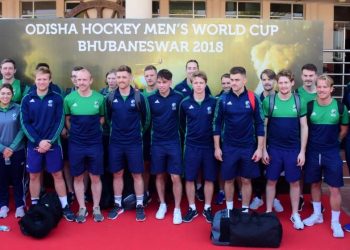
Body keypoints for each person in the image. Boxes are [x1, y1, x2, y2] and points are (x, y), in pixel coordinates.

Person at [20, 67, 75, 222]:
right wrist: (38, 141)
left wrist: (49, 141)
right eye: (39, 79)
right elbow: (25, 123)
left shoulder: (57, 98)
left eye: (45, 79)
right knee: (34, 175)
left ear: (50, 80)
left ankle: (65, 206)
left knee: (57, 174)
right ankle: (35, 205)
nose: (42, 82)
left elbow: (59, 122)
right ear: (35, 80)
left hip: (53, 144)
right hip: (34, 145)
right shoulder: (27, 98)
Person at [302, 74, 348, 238]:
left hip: (331, 152)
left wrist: (336, 141)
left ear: (331, 89)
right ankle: (317, 215)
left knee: (334, 188)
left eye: (324, 86)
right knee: (314, 184)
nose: (321, 89)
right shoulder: (309, 106)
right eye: (319, 86)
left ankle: (335, 222)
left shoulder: (340, 107)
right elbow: (304, 128)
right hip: (313, 152)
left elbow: (344, 128)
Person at [213, 66, 264, 213]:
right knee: (228, 179)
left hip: (248, 147)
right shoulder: (223, 99)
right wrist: (217, 147)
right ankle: (229, 210)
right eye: (231, 80)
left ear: (244, 80)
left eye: (237, 80)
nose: (233, 83)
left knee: (246, 180)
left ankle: (245, 210)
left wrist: (260, 148)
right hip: (228, 147)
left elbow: (260, 124)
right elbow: (216, 123)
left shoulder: (253, 98)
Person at [262, 69, 308, 230]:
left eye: (286, 82)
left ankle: (295, 213)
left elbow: (304, 126)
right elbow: (264, 127)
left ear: (292, 83)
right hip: (274, 149)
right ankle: (268, 211)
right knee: (271, 180)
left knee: (295, 182)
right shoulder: (269, 101)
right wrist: (263, 150)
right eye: (280, 82)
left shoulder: (299, 101)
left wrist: (302, 151)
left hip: (293, 149)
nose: (283, 85)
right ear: (277, 83)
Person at [105, 65, 150, 222]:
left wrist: (136, 133)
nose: (121, 80)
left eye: (124, 77)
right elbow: (109, 119)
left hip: (134, 143)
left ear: (130, 78)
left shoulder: (139, 97)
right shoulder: (110, 97)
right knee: (117, 173)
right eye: (118, 77)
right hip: (116, 142)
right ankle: (118, 204)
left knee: (137, 174)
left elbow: (146, 120)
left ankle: (139, 204)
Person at [64, 67, 105, 223]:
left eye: (84, 79)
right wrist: (74, 132)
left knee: (95, 176)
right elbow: (67, 119)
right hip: (76, 144)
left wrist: (92, 132)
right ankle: (82, 207)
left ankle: (96, 207)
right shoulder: (68, 99)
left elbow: (102, 118)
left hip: (94, 143)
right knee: (78, 176)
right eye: (78, 79)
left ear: (91, 80)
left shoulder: (99, 98)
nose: (81, 82)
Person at [180, 71, 217, 223]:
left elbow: (218, 123)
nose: (199, 85)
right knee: (189, 178)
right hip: (191, 146)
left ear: (205, 84)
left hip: (209, 146)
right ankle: (192, 208)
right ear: (192, 84)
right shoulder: (185, 102)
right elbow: (182, 125)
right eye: (196, 83)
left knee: (209, 178)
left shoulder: (214, 102)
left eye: (201, 83)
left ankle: (207, 207)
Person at [148, 69, 184, 224]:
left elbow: (183, 121)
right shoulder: (150, 99)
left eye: (164, 82)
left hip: (174, 142)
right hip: (157, 142)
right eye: (159, 82)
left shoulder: (179, 97)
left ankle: (177, 209)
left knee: (175, 176)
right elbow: (146, 121)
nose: (161, 85)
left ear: (170, 82)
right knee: (159, 175)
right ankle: (162, 204)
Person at [174, 59, 210, 201]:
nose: (192, 70)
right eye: (189, 68)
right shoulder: (178, 87)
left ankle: (200, 187)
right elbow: (181, 119)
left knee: (203, 166)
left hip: (205, 138)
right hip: (188, 136)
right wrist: (187, 131)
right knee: (189, 167)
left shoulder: (206, 90)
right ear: (186, 70)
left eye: (194, 67)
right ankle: (189, 193)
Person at [249, 69, 284, 213]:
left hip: (276, 142)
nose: (267, 82)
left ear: (275, 81)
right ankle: (258, 196)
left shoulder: (280, 98)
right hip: (257, 140)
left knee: (274, 171)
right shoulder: (256, 99)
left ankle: (275, 198)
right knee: (257, 170)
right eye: (264, 79)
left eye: (270, 79)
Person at [0, 84, 26, 218]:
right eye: (2, 93)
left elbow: (23, 129)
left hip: (17, 150)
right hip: (1, 152)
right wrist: (3, 148)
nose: (5, 96)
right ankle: (3, 205)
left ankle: (20, 205)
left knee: (17, 179)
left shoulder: (19, 108)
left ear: (12, 94)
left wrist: (12, 147)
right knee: (2, 179)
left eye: (8, 93)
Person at [296, 63, 318, 211]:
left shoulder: (322, 91)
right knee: (300, 170)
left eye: (311, 76)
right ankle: (300, 198)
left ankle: (316, 203)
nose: (308, 78)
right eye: (305, 76)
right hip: (300, 138)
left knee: (316, 172)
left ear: (316, 76)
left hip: (318, 139)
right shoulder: (296, 93)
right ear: (301, 76)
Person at [61, 66, 84, 204]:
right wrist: (64, 129)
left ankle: (84, 192)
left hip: (85, 138)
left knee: (85, 164)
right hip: (68, 136)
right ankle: (70, 191)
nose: (77, 80)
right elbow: (61, 114)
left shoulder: (92, 95)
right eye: (74, 77)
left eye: (79, 77)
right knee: (68, 163)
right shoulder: (66, 94)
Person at [141, 65, 158, 205]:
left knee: (160, 167)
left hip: (161, 136)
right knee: (145, 165)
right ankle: (145, 192)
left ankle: (161, 195)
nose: (149, 78)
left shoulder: (164, 92)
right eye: (147, 76)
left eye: (152, 75)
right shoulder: (140, 95)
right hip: (144, 135)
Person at [214, 73, 231, 205]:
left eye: (228, 82)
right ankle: (221, 191)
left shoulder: (242, 98)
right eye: (223, 83)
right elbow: (215, 122)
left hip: (235, 141)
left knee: (237, 170)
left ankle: (240, 192)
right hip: (221, 141)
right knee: (222, 168)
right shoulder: (217, 99)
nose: (226, 85)